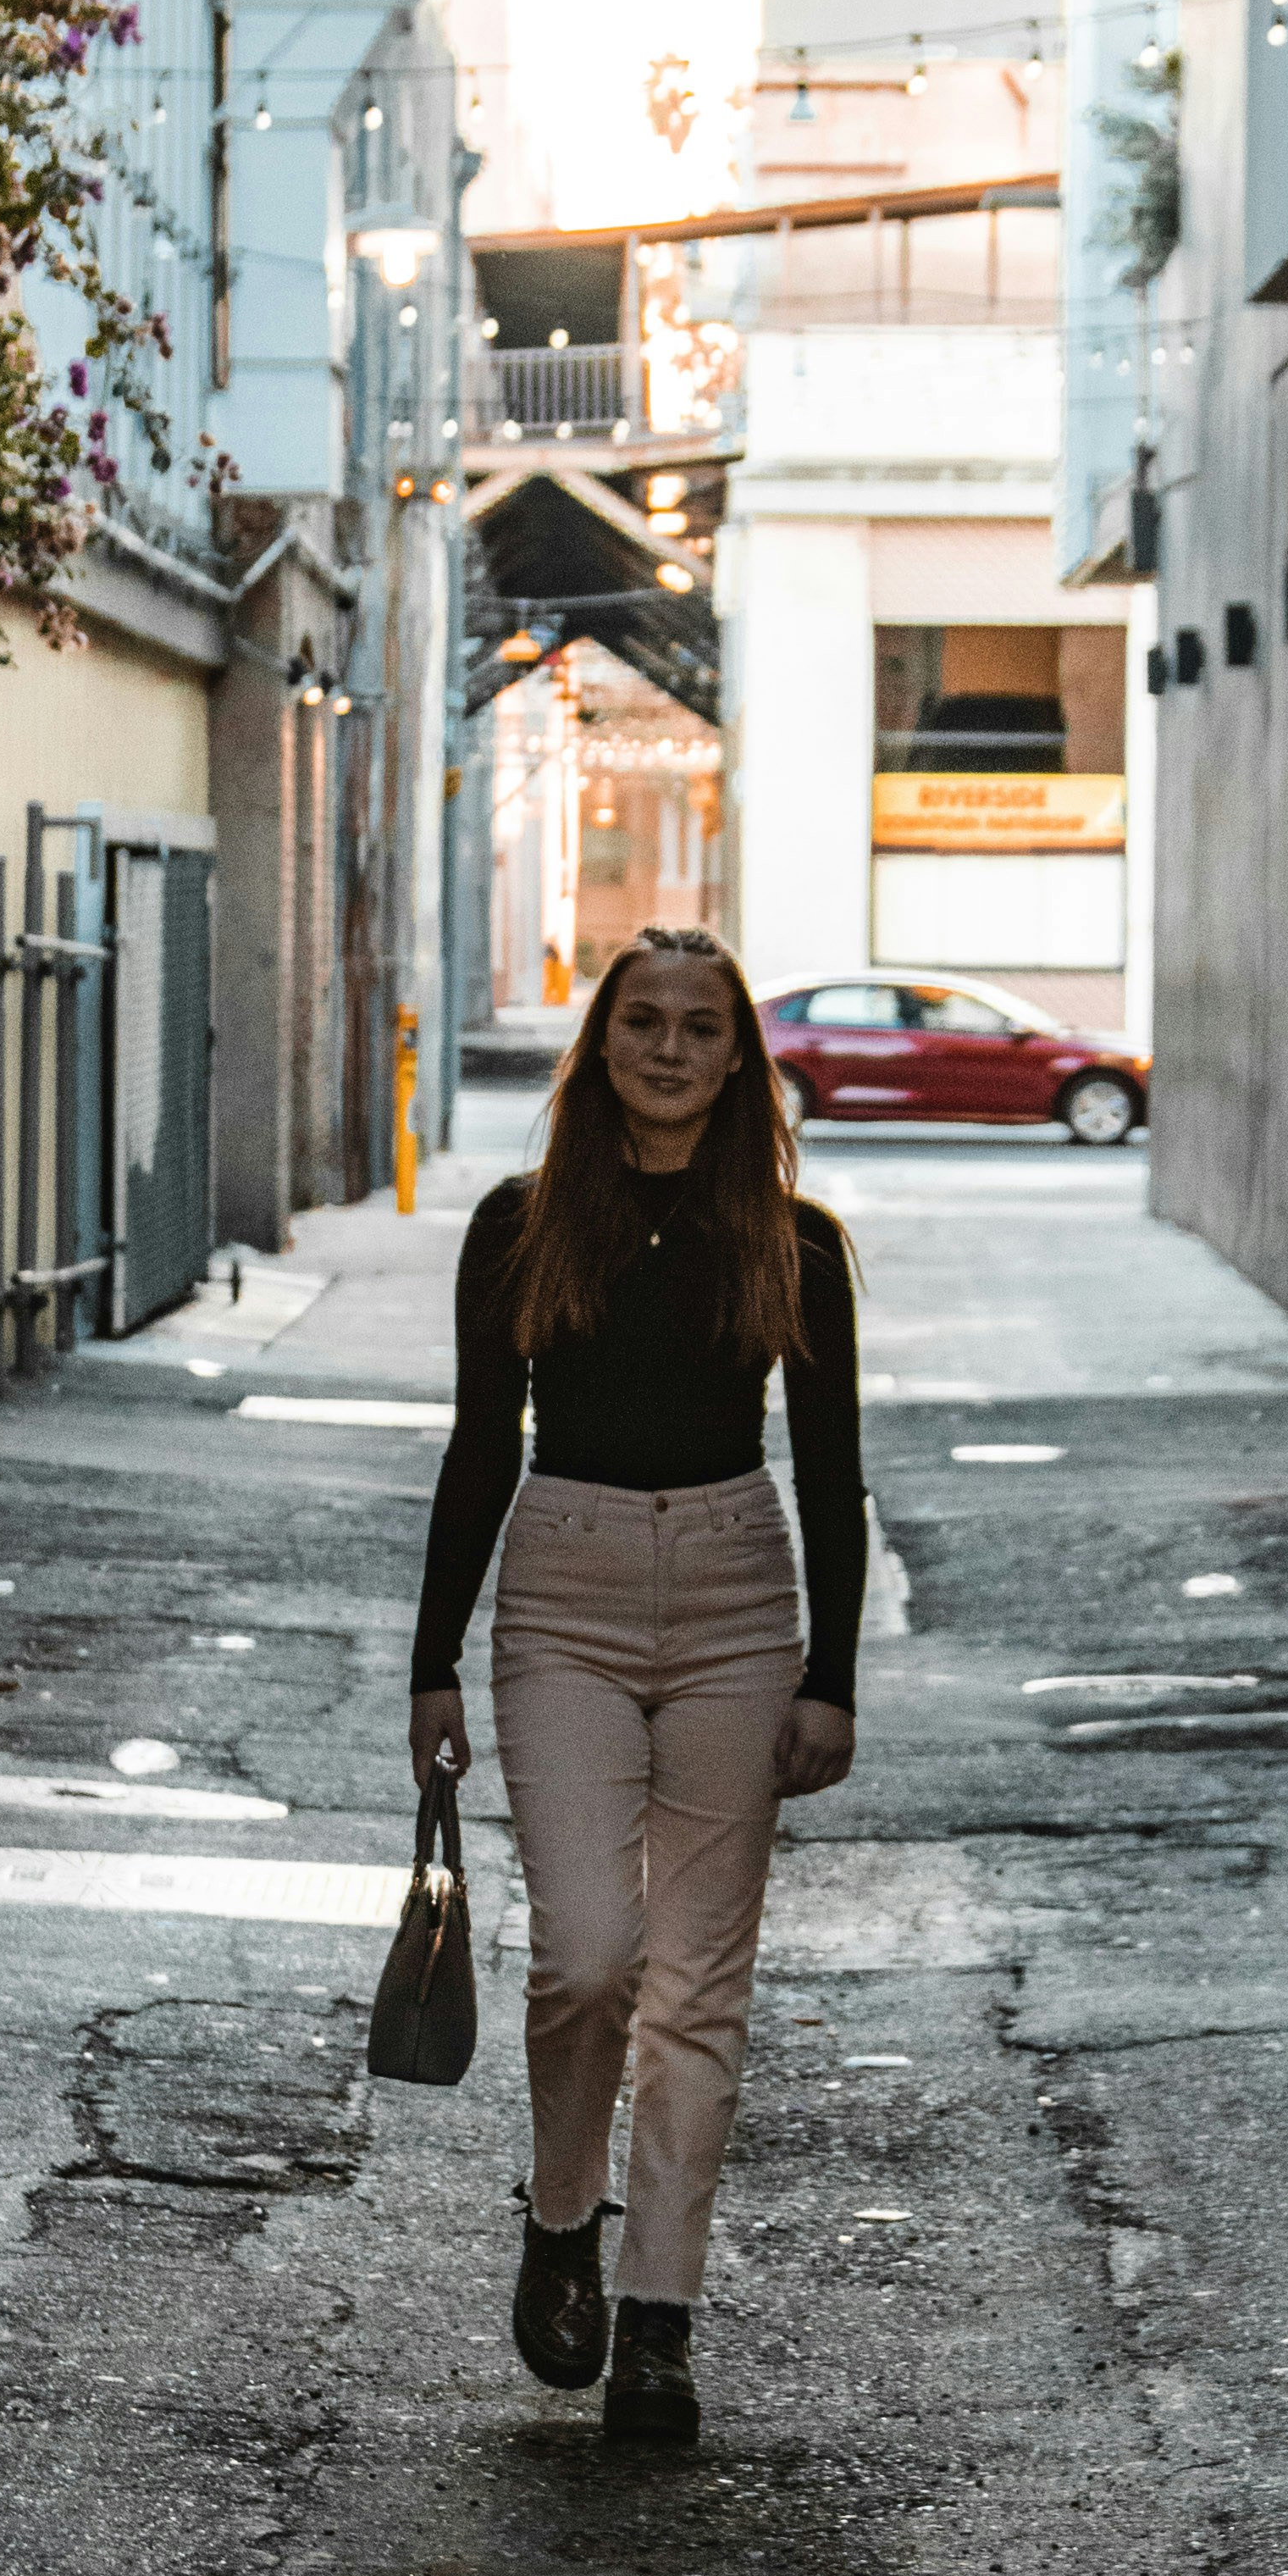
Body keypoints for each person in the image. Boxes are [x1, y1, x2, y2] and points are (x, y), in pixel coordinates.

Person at [409, 931, 862, 2444]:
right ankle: (560, 2218)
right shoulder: (521, 1225)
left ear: (739, 1062)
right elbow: (481, 1445)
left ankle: (659, 2315)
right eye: (642, 1023)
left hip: (740, 1592)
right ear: (599, 1046)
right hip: (566, 1593)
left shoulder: (791, 1242)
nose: (669, 1050)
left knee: (700, 1984)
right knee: (591, 1956)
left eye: (701, 1030)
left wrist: (831, 1677)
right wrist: (433, 1667)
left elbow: (838, 1474)